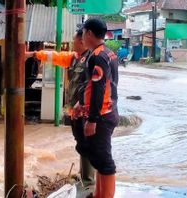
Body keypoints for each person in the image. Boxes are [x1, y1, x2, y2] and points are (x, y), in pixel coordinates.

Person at [25, 29, 96, 189]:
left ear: (82, 41)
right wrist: (31, 54)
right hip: (74, 111)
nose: (72, 44)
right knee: (81, 144)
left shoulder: (92, 59)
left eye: (74, 41)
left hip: (85, 111)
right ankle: (85, 177)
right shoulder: (73, 58)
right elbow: (53, 56)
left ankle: (89, 182)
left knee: (87, 145)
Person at [81, 18, 119, 198]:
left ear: (89, 33)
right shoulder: (109, 53)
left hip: (102, 115)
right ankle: (98, 194)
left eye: (83, 33)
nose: (81, 37)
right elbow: (113, 84)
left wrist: (93, 119)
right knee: (98, 158)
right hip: (108, 111)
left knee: (104, 161)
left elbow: (99, 87)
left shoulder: (97, 56)